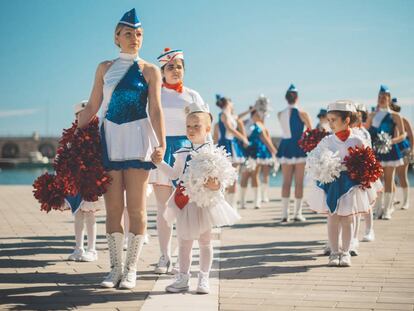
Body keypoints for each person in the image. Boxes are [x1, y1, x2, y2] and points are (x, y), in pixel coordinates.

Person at [77, 8, 166, 289]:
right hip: (111, 140)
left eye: (138, 34)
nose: (134, 39)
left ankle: (131, 270)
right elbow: (92, 106)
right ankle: (114, 268)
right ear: (117, 37)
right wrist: (73, 140)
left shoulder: (150, 70)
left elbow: (156, 109)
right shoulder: (104, 67)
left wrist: (161, 143)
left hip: (139, 140)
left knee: (137, 210)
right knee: (113, 208)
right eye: (128, 34)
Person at [152, 102, 240, 294]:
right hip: (185, 202)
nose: (191, 130)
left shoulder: (214, 153)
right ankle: (183, 277)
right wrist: (159, 164)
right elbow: (175, 175)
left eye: (196, 126)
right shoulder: (182, 153)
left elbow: (222, 180)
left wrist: (215, 185)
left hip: (205, 203)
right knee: (184, 241)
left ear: (207, 128)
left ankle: (204, 278)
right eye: (188, 126)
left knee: (205, 241)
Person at [148, 47, 208, 274]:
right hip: (163, 151)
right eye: (170, 67)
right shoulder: (155, 94)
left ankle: (184, 258)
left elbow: (204, 127)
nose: (175, 71)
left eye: (179, 67)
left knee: (187, 208)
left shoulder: (193, 95)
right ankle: (164, 256)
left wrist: (206, 155)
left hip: (187, 152)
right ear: (162, 71)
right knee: (164, 208)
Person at [308, 100, 381, 267]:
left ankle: (346, 252)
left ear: (346, 120)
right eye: (329, 119)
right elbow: (315, 158)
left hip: (350, 186)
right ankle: (334, 252)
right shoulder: (327, 141)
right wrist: (321, 166)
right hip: (333, 184)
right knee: (333, 217)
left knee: (348, 218)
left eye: (334, 120)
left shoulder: (357, 141)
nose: (330, 123)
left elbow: (368, 161)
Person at [66, 100, 102, 262]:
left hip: (92, 180)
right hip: (76, 180)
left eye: (86, 114)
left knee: (90, 214)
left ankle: (92, 249)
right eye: (79, 115)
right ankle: (78, 247)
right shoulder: (71, 135)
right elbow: (64, 155)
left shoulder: (99, 134)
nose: (83, 117)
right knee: (78, 213)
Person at [367, 85, 406, 220]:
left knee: (389, 180)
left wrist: (391, 141)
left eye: (384, 97)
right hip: (376, 151)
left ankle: (388, 210)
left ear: (389, 99)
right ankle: (378, 209)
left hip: (390, 151)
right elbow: (365, 133)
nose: (381, 99)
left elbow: (403, 135)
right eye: (379, 97)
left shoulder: (395, 116)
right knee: (377, 181)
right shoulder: (372, 115)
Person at [276, 84, 312, 222]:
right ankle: (297, 213)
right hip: (298, 147)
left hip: (285, 146)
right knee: (298, 182)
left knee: (285, 182)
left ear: (286, 98)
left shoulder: (280, 113)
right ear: (297, 97)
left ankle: (284, 214)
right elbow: (310, 130)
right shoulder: (302, 113)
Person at [240, 97, 277, 209]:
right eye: (257, 114)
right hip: (246, 152)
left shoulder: (260, 126)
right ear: (253, 114)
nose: (259, 116)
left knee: (255, 175)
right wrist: (250, 110)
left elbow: (266, 139)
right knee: (245, 176)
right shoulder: (244, 123)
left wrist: (274, 152)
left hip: (256, 153)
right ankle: (242, 202)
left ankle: (257, 201)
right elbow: (237, 119)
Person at [216, 95, 249, 208]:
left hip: (233, 145)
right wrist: (243, 138)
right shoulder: (224, 114)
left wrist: (251, 110)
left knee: (234, 177)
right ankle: (224, 206)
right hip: (226, 145)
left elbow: (239, 117)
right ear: (228, 103)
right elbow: (230, 128)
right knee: (225, 177)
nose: (233, 104)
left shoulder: (230, 115)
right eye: (232, 102)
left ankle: (231, 206)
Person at [390, 97, 413, 211]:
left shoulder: (403, 119)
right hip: (391, 149)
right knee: (391, 176)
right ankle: (392, 200)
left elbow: (411, 136)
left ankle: (406, 201)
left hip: (403, 149)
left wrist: (412, 151)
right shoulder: (387, 120)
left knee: (402, 175)